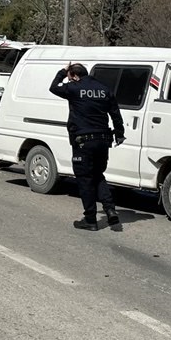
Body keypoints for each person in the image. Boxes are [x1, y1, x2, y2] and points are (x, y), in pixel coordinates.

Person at [49, 62, 126, 231]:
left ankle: (90, 219)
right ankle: (110, 209)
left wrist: (62, 72)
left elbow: (53, 87)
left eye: (70, 77)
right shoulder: (104, 89)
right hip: (103, 139)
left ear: (74, 76)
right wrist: (119, 134)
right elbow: (115, 114)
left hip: (83, 141)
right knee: (98, 175)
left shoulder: (74, 88)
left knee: (85, 179)